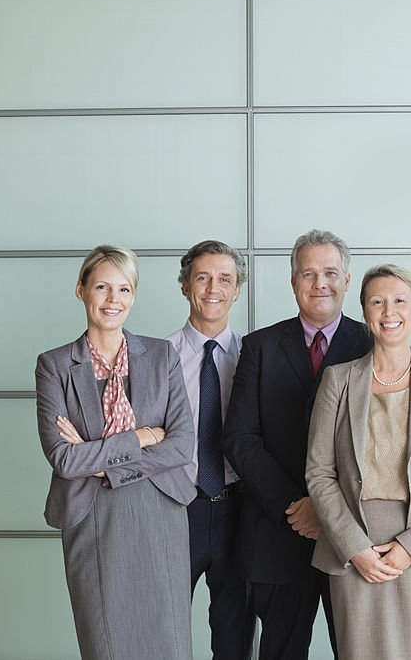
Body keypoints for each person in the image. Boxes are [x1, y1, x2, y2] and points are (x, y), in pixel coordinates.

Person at [306, 264, 411, 660]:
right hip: (356, 545)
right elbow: (319, 472)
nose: (389, 311)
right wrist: (354, 547)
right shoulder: (338, 380)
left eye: (399, 301)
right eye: (377, 302)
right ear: (364, 312)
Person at [35, 245, 194, 660]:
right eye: (102, 287)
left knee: (169, 640)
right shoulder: (54, 366)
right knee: (104, 641)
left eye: (123, 289)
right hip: (91, 516)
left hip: (159, 508)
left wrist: (103, 461)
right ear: (81, 290)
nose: (113, 300)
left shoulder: (162, 356)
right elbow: (65, 460)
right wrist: (141, 436)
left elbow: (181, 445)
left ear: (134, 296)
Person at [222, 230, 372, 659]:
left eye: (329, 273)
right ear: (293, 282)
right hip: (278, 531)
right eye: (308, 273)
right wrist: (297, 504)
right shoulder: (261, 347)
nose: (319, 283)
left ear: (346, 279)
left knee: (357, 650)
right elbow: (240, 438)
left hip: (352, 533)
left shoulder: (372, 343)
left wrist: (327, 508)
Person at [167, 240, 256, 659]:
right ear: (186, 285)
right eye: (202, 277)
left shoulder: (256, 355)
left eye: (225, 279)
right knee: (163, 629)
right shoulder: (155, 357)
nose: (213, 288)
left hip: (240, 512)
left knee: (235, 635)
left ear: (237, 289)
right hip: (175, 509)